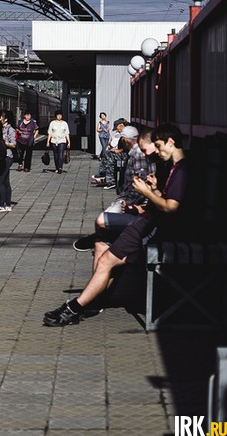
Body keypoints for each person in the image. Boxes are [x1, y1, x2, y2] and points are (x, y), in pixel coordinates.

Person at [43, 123, 189, 327]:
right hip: (148, 224)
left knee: (106, 261)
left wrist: (147, 193)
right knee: (104, 250)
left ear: (170, 142)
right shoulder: (174, 167)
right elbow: (165, 203)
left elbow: (171, 208)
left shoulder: (181, 170)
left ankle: (74, 309)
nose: (157, 150)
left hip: (149, 228)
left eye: (158, 145)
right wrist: (155, 190)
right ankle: (87, 302)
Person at [72, 127, 156, 252]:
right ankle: (101, 241)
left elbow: (140, 182)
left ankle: (100, 241)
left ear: (126, 140)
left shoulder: (138, 154)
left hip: (133, 199)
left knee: (107, 217)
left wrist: (128, 201)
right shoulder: (136, 153)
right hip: (132, 197)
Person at [0, 110, 17, 211]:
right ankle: (8, 204)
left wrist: (5, 143)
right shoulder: (0, 128)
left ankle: (2, 204)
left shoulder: (11, 130)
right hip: (2, 157)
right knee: (6, 181)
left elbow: (13, 144)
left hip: (8, 157)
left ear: (6, 119)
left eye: (1, 117)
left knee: (0, 180)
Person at [46, 110, 71, 174]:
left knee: (61, 154)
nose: (59, 116)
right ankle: (56, 167)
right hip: (54, 140)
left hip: (62, 140)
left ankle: (60, 167)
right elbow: (50, 133)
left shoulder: (65, 123)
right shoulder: (52, 123)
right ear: (55, 116)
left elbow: (67, 133)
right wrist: (48, 142)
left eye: (60, 115)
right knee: (55, 155)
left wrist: (69, 142)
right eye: (58, 115)